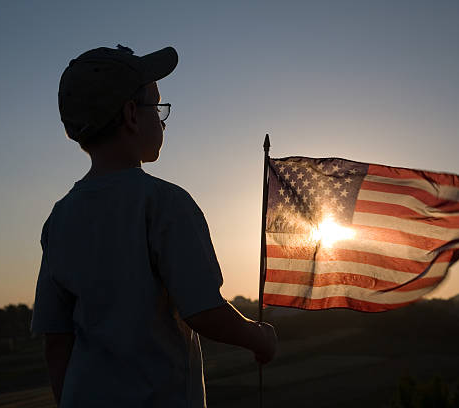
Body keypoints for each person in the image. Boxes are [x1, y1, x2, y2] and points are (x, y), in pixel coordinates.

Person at [30, 44, 278, 408]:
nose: (162, 120)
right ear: (132, 114)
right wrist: (260, 338)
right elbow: (203, 310)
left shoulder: (59, 218)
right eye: (157, 107)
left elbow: (56, 338)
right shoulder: (164, 203)